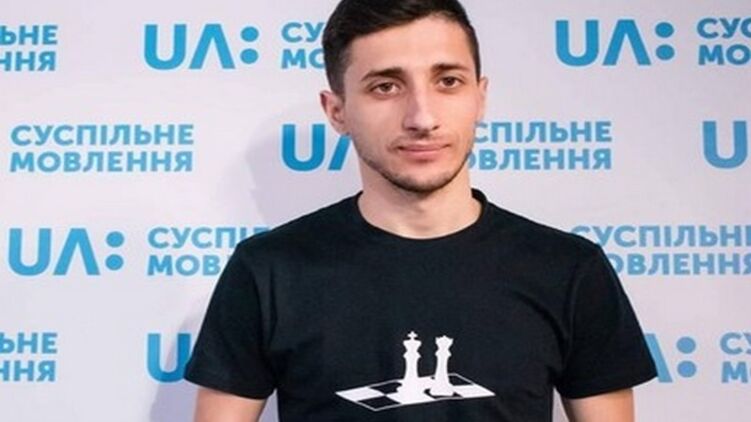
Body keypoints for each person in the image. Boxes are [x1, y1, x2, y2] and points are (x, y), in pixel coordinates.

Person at [184, 0, 657, 420]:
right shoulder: (267, 270)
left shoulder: (569, 269)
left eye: (448, 81)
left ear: (480, 97)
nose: (422, 118)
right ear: (336, 111)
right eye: (385, 87)